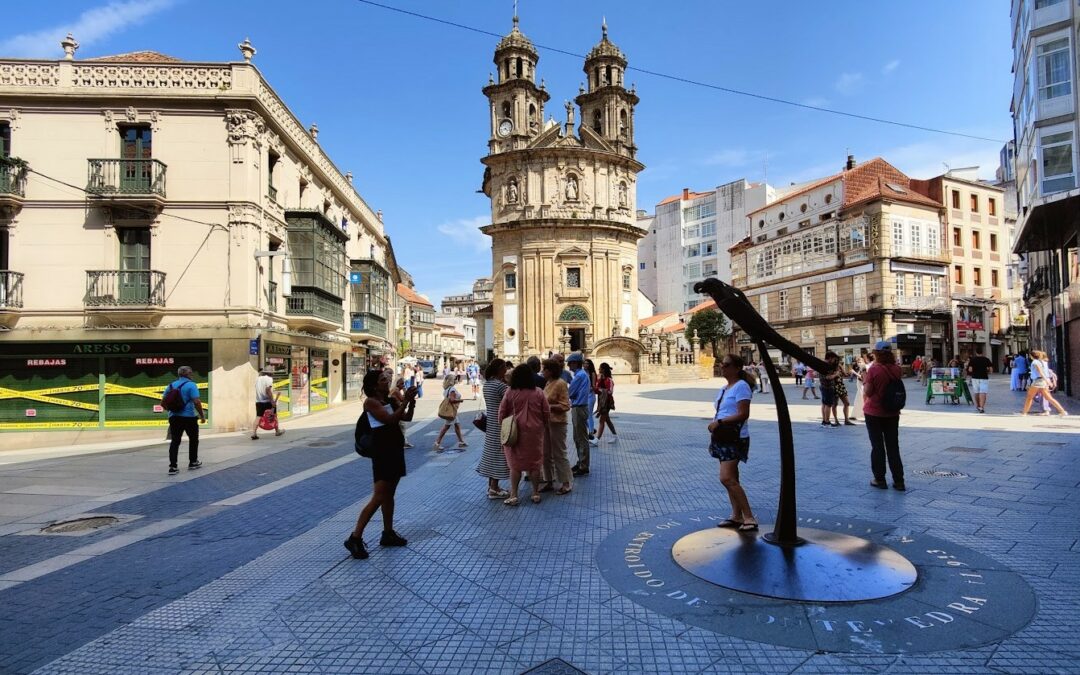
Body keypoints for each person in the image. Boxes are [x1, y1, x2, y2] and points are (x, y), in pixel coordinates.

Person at [344, 369, 417, 560]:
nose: (387, 381)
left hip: (394, 450)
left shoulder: (390, 400)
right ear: (374, 385)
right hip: (383, 452)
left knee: (389, 494)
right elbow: (389, 419)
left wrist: (411, 402)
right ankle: (355, 537)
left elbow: (406, 418)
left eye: (387, 378)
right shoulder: (371, 403)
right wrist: (406, 401)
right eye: (383, 379)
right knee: (379, 496)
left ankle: (388, 533)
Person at [709, 354, 759, 533]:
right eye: (722, 364)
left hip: (734, 437)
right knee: (732, 478)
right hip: (722, 436)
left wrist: (720, 422)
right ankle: (736, 515)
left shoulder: (741, 386)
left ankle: (749, 517)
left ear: (737, 368)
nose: (722, 367)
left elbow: (743, 414)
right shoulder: (724, 388)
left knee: (726, 478)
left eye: (726, 364)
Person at [498, 364, 551, 505]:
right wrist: (544, 425)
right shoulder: (538, 392)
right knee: (534, 464)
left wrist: (502, 425)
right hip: (535, 432)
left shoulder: (510, 391)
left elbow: (502, 411)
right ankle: (535, 493)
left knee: (515, 465)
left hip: (514, 431)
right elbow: (546, 411)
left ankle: (514, 495)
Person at [863, 341, 905, 491]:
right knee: (893, 446)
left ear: (877, 353)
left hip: (874, 412)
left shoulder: (874, 370)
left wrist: (865, 380)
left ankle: (879, 479)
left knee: (877, 447)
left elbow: (868, 392)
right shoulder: (897, 369)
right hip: (892, 412)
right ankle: (899, 481)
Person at [478, 359, 512, 499]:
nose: (506, 371)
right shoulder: (500, 386)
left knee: (492, 453)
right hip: (501, 423)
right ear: (499, 369)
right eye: (504, 368)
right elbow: (512, 398)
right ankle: (494, 488)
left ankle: (491, 486)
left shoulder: (487, 384)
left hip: (491, 422)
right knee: (499, 454)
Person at [162, 365, 206, 475]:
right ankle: (193, 462)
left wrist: (172, 411)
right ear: (187, 374)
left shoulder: (171, 385)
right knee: (193, 439)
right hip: (189, 417)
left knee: (175, 441)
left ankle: (173, 467)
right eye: (191, 372)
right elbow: (196, 402)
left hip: (174, 417)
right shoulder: (191, 385)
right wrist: (202, 415)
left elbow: (163, 402)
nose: (192, 374)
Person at [540, 359, 573, 495]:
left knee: (559, 453)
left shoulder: (560, 383)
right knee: (545, 453)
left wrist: (548, 407)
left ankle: (566, 483)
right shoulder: (548, 383)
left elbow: (565, 405)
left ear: (550, 371)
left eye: (544, 369)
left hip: (558, 423)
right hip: (546, 422)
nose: (542, 372)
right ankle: (549, 480)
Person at [567, 352, 592, 476]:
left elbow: (570, 392)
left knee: (581, 438)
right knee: (578, 437)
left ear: (576, 363)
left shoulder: (579, 376)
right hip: (580, 407)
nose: (568, 365)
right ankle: (581, 461)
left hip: (579, 407)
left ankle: (584, 465)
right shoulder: (581, 374)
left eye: (570, 363)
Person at [1021, 350, 1069, 416]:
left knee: (1029, 397)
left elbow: (1041, 372)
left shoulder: (1035, 362)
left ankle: (1024, 413)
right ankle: (1062, 411)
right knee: (1049, 398)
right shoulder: (1041, 362)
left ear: (1032, 356)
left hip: (1037, 382)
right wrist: (1047, 381)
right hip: (1042, 382)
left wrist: (1048, 382)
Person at [434, 373, 468, 451]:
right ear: (451, 381)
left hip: (452, 411)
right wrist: (460, 400)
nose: (456, 380)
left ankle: (461, 441)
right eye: (454, 379)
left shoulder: (447, 389)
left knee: (457, 425)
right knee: (446, 426)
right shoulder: (452, 389)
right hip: (451, 411)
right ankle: (437, 442)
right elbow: (452, 400)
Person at [251, 368, 283, 440]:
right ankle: (277, 431)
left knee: (258, 417)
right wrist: (272, 401)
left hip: (259, 401)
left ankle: (254, 433)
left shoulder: (258, 379)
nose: (273, 374)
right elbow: (268, 390)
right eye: (272, 372)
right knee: (274, 416)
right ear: (270, 373)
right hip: (268, 401)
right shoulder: (269, 379)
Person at [824, 351, 856, 425]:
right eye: (835, 359)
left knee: (847, 403)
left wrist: (850, 373)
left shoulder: (839, 365)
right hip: (834, 386)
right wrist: (836, 374)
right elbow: (827, 377)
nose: (836, 360)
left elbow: (845, 374)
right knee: (834, 404)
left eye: (836, 359)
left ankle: (846, 420)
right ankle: (836, 420)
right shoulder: (829, 366)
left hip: (841, 385)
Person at [594, 362, 618, 442]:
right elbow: (596, 389)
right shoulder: (600, 379)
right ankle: (615, 436)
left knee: (602, 420)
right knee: (607, 420)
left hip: (607, 402)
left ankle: (597, 439)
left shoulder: (609, 380)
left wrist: (600, 390)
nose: (599, 369)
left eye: (600, 368)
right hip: (601, 401)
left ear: (603, 369)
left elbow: (610, 391)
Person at [965, 346, 993, 413]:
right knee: (983, 392)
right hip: (984, 377)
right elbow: (991, 370)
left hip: (975, 377)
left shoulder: (972, 360)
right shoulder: (986, 359)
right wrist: (987, 371)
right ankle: (982, 407)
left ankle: (978, 406)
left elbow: (970, 370)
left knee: (976, 392)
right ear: (982, 352)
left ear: (976, 352)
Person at [390, 377, 414, 448]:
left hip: (397, 410)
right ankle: (403, 442)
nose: (403, 385)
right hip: (398, 411)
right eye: (402, 384)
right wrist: (405, 391)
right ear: (397, 384)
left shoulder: (396, 390)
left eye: (403, 383)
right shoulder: (396, 390)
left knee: (401, 427)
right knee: (402, 426)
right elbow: (403, 399)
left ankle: (404, 442)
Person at [584, 359, 599, 444]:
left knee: (589, 415)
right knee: (584, 415)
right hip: (585, 396)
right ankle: (592, 429)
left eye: (587, 364)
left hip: (590, 396)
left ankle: (591, 433)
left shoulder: (592, 373)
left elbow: (593, 386)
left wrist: (586, 389)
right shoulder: (583, 373)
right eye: (584, 363)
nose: (585, 365)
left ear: (590, 365)